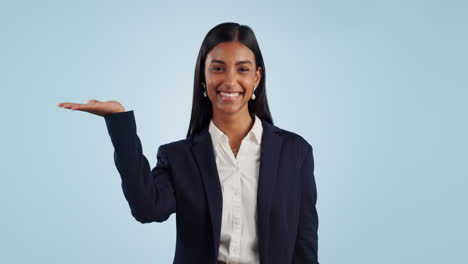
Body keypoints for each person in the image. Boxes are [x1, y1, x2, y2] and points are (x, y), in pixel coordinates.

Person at [58, 22, 319, 264]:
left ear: (257, 78)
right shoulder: (179, 157)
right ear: (203, 78)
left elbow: (304, 246)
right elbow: (147, 208)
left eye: (242, 69)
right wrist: (119, 122)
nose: (230, 80)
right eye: (218, 68)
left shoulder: (295, 153)